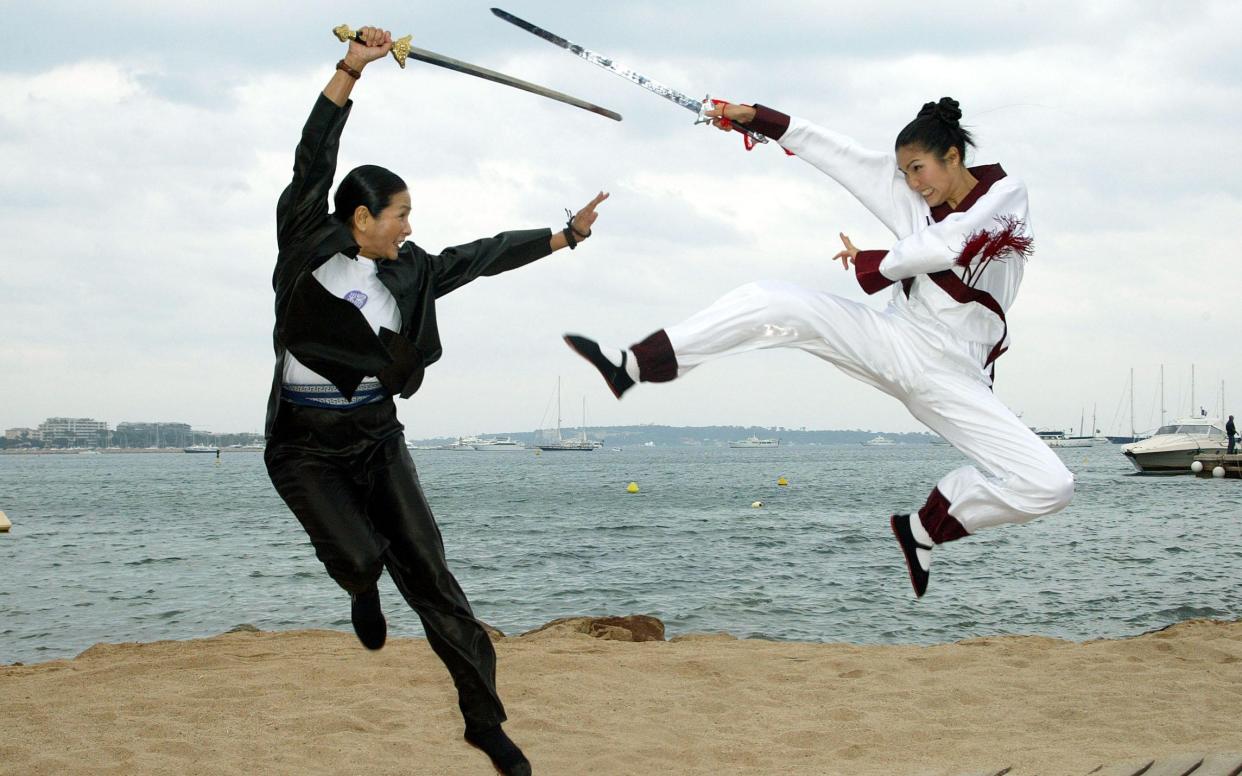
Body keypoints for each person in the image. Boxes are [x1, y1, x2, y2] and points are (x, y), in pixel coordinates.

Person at [264, 26, 608, 776]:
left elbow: (481, 258)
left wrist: (564, 236)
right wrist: (351, 69)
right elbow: (311, 157)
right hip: (302, 450)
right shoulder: (303, 241)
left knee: (435, 580)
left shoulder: (413, 272)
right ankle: (360, 586)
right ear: (362, 218)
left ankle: (484, 723)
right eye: (401, 214)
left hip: (376, 439)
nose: (411, 226)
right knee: (361, 559)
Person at [563, 97, 1072, 599]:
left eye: (920, 169)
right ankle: (634, 364)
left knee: (1050, 485)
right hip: (896, 342)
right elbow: (837, 153)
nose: (914, 184)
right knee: (776, 302)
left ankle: (923, 529)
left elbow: (951, 245)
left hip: (956, 378)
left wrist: (878, 260)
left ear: (953, 157)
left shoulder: (1006, 193)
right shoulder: (911, 194)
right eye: (905, 173)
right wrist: (758, 119)